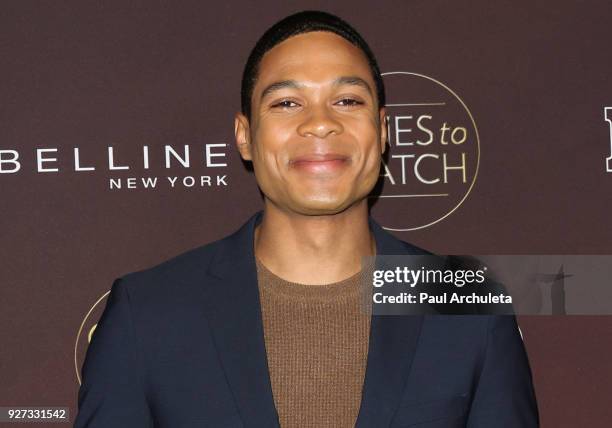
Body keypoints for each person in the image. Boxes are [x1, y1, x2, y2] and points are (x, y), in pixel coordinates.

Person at [74, 10, 539, 428]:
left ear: (382, 131)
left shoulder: (465, 305)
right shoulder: (149, 312)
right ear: (244, 137)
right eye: (287, 103)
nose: (320, 123)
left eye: (348, 101)